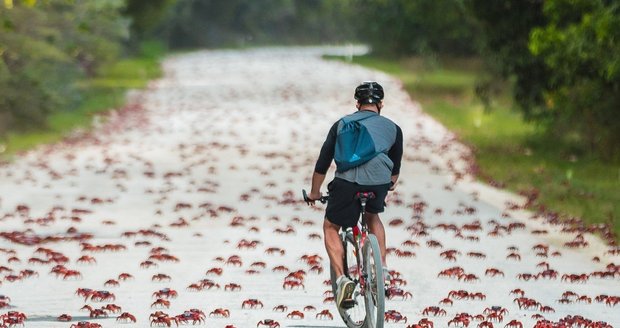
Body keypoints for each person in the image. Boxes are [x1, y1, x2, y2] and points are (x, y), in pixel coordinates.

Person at [306, 81, 403, 309]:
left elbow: (323, 163)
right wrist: (387, 185)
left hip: (346, 184)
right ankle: (383, 269)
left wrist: (314, 192)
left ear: (357, 103)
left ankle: (341, 280)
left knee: (331, 225)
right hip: (378, 184)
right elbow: (394, 171)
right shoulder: (393, 128)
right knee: (373, 216)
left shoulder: (341, 125)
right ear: (380, 104)